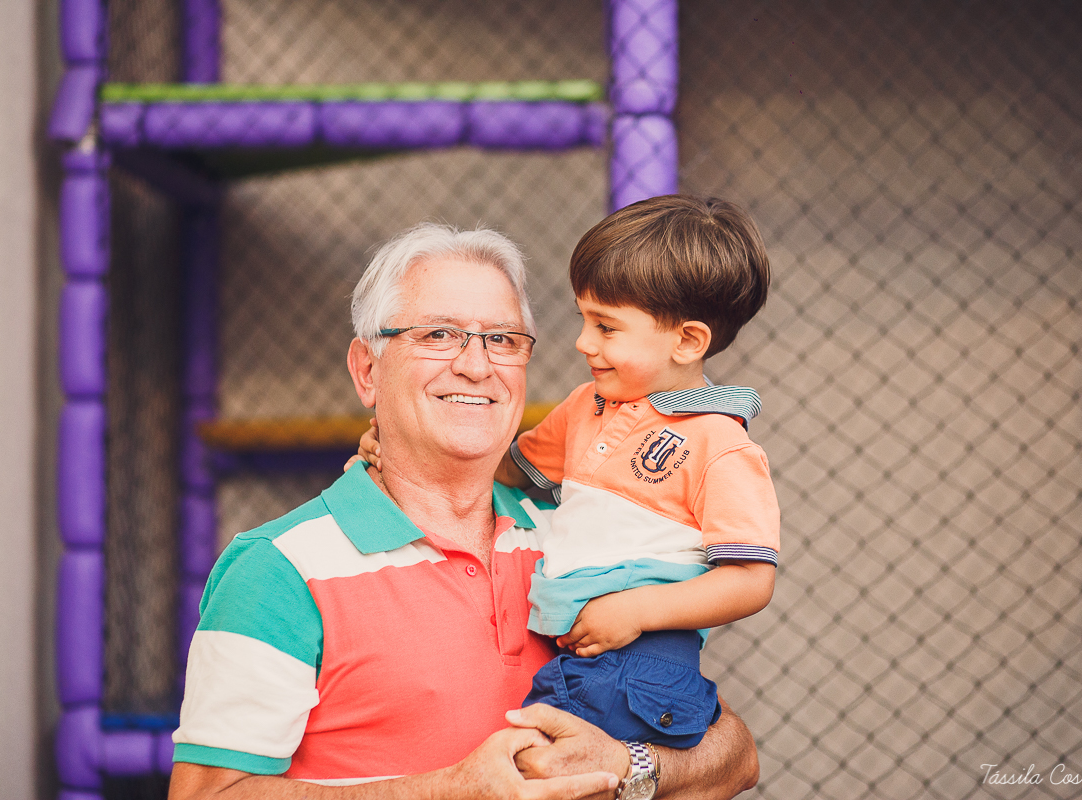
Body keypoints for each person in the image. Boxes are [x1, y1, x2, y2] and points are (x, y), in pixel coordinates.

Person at [167, 222, 760, 799]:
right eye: (438, 335)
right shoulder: (277, 570)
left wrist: (628, 766)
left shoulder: (575, 533)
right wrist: (448, 792)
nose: (477, 366)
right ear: (368, 370)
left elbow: (732, 753)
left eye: (502, 339)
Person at [354, 196, 780, 756]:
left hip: (638, 658)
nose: (583, 343)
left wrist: (635, 611)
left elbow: (751, 579)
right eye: (584, 319)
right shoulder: (588, 406)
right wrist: (393, 446)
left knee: (540, 765)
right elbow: (506, 467)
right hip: (574, 652)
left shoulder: (720, 443)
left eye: (606, 327)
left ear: (688, 341)